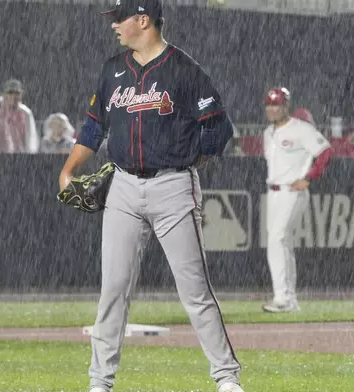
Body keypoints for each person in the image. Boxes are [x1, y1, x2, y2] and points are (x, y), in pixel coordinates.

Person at [57, 1, 243, 391]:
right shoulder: (113, 70)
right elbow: (93, 128)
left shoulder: (184, 70)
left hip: (172, 186)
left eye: (119, 18)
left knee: (195, 290)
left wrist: (194, 159)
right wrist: (68, 169)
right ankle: (99, 383)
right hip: (122, 186)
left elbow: (220, 128)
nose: (114, 26)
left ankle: (227, 379)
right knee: (114, 289)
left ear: (143, 19)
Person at [262, 88, 334, 313]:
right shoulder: (267, 133)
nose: (273, 108)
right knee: (283, 243)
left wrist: (310, 177)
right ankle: (290, 299)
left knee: (277, 239)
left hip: (292, 191)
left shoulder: (301, 129)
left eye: (277, 104)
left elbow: (326, 152)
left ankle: (281, 298)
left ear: (286, 106)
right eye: (270, 104)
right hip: (274, 192)